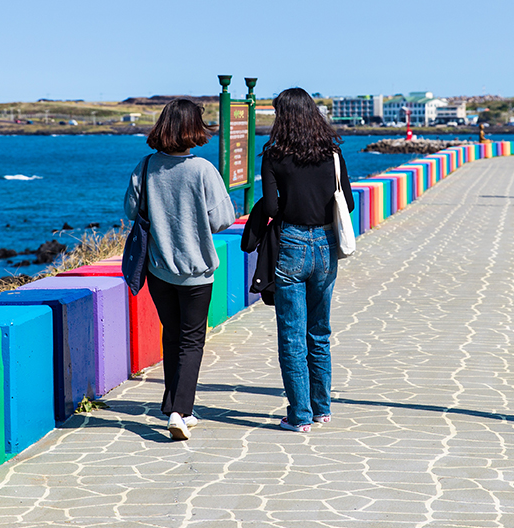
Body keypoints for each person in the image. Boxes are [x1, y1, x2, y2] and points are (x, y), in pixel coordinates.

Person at [124, 99, 235, 441]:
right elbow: (223, 219)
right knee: (192, 341)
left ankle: (174, 404)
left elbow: (131, 210)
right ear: (193, 128)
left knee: (172, 336)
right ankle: (179, 411)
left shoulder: (145, 167)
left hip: (159, 269)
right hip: (197, 271)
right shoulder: (202, 169)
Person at [260, 87, 355, 433]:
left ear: (282, 117)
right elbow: (349, 203)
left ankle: (299, 416)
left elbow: (271, 208)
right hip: (326, 246)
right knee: (319, 331)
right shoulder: (331, 153)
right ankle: (322, 408)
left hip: (292, 244)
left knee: (291, 334)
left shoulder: (273, 155)